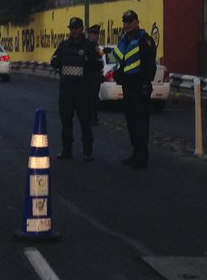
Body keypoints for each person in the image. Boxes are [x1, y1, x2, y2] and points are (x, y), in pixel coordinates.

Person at [49, 17, 103, 161]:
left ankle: (87, 151)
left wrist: (88, 62)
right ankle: (66, 151)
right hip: (66, 91)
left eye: (77, 28)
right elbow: (53, 61)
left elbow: (99, 64)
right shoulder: (64, 45)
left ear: (82, 29)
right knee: (66, 123)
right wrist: (59, 60)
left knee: (85, 123)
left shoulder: (89, 46)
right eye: (72, 28)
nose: (74, 31)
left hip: (82, 91)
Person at [111, 9, 156, 169]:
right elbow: (117, 60)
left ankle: (142, 156)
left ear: (137, 22)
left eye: (131, 21)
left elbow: (149, 64)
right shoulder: (125, 40)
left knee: (140, 123)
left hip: (140, 87)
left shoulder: (144, 40)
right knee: (131, 122)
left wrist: (145, 84)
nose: (128, 24)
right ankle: (136, 153)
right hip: (128, 86)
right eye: (125, 22)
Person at [86, 25, 104, 124]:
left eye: (97, 34)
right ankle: (91, 117)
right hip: (90, 76)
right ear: (90, 34)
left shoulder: (95, 45)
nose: (97, 36)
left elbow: (99, 58)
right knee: (91, 97)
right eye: (95, 34)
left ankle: (93, 116)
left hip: (96, 75)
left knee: (94, 97)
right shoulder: (88, 45)